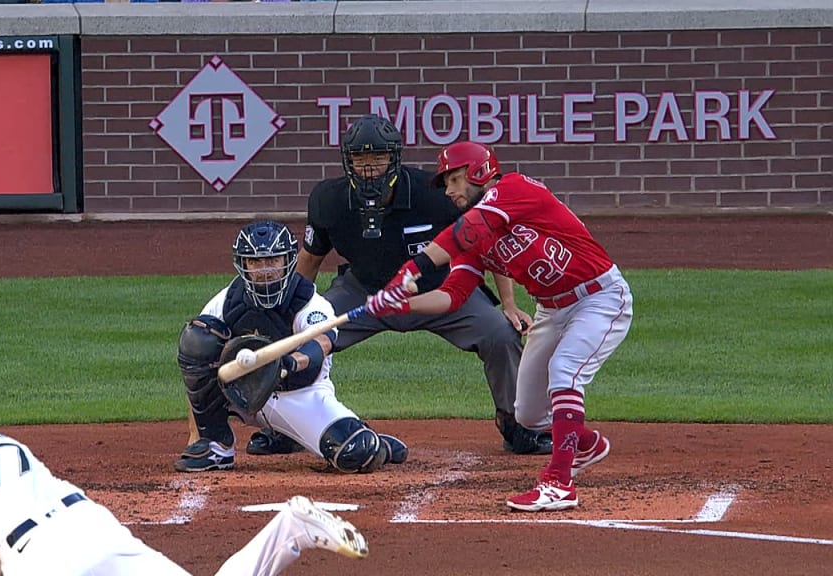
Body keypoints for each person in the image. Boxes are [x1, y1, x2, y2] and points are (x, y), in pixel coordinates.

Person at [367, 141, 633, 512]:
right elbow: (452, 295)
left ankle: (559, 482)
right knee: (527, 414)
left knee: (564, 373)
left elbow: (465, 231)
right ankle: (585, 443)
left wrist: (409, 271)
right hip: (552, 311)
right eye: (446, 183)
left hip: (598, 297)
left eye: (455, 179)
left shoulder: (514, 189)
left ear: (478, 172)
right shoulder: (476, 237)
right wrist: (398, 304)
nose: (449, 191)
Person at [269, 114, 550, 457]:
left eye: (378, 158)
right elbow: (309, 261)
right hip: (364, 291)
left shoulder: (435, 196)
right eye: (360, 159)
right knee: (300, 337)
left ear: (394, 158)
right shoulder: (328, 200)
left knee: (500, 333)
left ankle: (515, 423)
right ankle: (286, 424)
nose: (369, 167)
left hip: (442, 291)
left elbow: (485, 241)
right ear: (348, 162)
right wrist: (290, 315)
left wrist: (507, 303)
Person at [0, 374, 370, 576]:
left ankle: (291, 530)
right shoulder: (3, 441)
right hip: (90, 523)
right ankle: (289, 528)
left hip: (41, 558)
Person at [176, 220, 408, 474]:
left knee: (356, 453)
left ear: (288, 261)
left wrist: (289, 363)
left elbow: (321, 342)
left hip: (298, 395)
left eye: (272, 261)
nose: (264, 271)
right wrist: (195, 435)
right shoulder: (228, 300)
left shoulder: (309, 302)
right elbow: (197, 363)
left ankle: (371, 440)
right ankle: (214, 447)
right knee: (198, 338)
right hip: (243, 393)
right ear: (243, 265)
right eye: (255, 262)